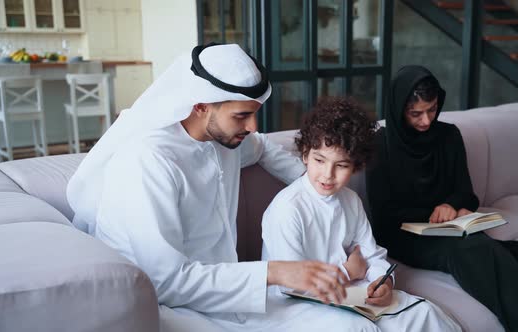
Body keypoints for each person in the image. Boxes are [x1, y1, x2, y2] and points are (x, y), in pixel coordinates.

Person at [66, 43, 378, 332]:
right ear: (200, 106)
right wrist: (276, 272)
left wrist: (317, 187)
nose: (253, 127)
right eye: (242, 116)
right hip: (170, 306)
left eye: (254, 114)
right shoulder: (148, 162)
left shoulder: (226, 139)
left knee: (356, 325)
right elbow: (167, 281)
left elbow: (264, 149)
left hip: (232, 291)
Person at [366, 65, 518, 332]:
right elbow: (383, 211)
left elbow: (466, 194)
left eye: (432, 109)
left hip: (450, 229)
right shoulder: (381, 145)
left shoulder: (448, 136)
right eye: (416, 113)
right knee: (468, 249)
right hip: (402, 235)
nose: (426, 121)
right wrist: (431, 214)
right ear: (399, 108)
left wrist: (451, 206)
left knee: (511, 254)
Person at [261, 97, 462, 332]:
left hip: (350, 294)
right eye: (319, 160)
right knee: (360, 329)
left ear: (356, 166)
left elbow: (372, 254)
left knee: (425, 312)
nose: (328, 175)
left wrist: (383, 281)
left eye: (342, 166)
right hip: (297, 305)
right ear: (305, 154)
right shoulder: (288, 208)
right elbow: (291, 285)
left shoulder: (351, 200)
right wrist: (348, 272)